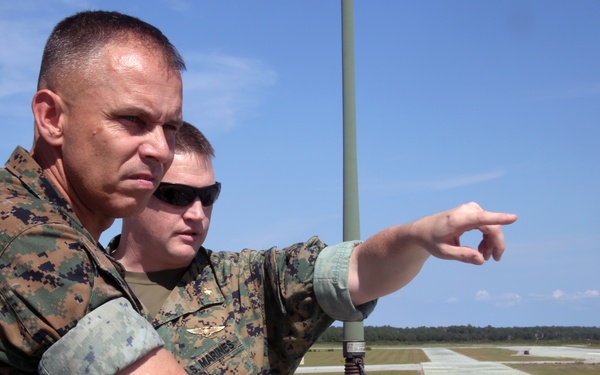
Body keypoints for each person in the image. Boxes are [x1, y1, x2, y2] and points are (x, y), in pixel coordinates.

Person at [110, 122, 518, 374]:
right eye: (178, 195)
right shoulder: (71, 281)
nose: (198, 214)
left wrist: (416, 237)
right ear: (136, 189)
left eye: (209, 196)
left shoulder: (248, 285)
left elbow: (354, 271)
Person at [0, 10, 191, 375]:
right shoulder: (29, 237)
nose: (162, 150)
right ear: (52, 118)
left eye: (170, 127)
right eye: (133, 119)